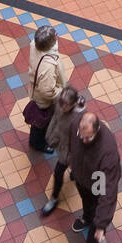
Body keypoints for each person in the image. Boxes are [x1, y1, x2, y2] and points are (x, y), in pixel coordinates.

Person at [69, 111, 121, 243]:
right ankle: (87, 217)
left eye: (88, 138)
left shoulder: (107, 152)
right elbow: (71, 144)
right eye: (81, 136)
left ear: (96, 132)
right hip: (82, 177)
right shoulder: (76, 124)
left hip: (98, 181)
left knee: (97, 223)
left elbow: (109, 191)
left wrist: (102, 224)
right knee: (87, 203)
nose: (83, 140)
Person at [40, 85, 86, 216]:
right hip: (63, 146)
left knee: (59, 172)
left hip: (73, 151)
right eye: (61, 103)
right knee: (60, 171)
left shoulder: (79, 118)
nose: (62, 106)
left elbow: (82, 138)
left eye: (65, 105)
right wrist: (50, 134)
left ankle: (54, 198)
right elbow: (55, 118)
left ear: (73, 104)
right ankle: (54, 197)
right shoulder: (60, 103)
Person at [25, 24, 67, 153]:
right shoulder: (48, 66)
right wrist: (60, 92)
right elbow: (47, 91)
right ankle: (37, 143)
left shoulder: (34, 45)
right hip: (43, 100)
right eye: (55, 36)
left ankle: (39, 137)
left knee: (42, 121)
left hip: (35, 89)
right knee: (41, 121)